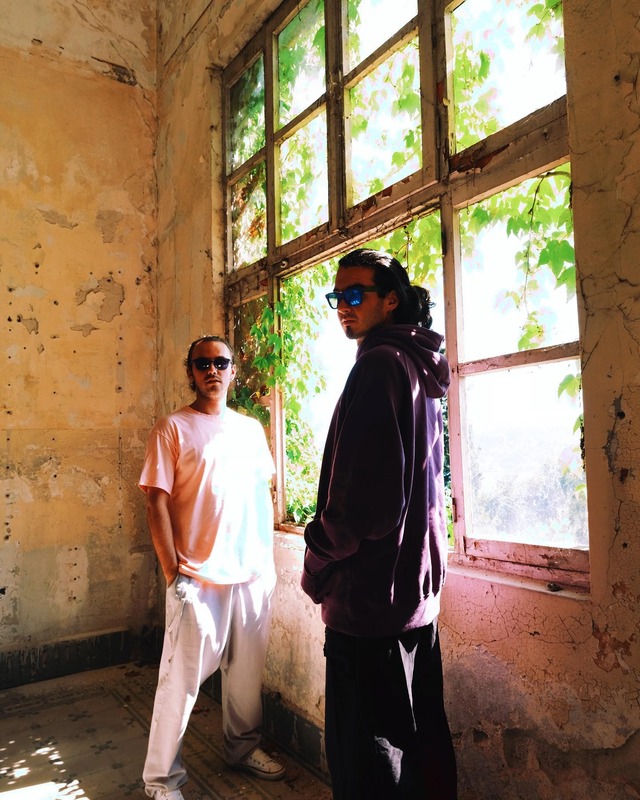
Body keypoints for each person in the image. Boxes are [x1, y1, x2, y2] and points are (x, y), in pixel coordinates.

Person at [301, 249, 457, 799]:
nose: (342, 307)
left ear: (390, 300)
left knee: (366, 765)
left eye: (355, 294)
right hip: (412, 597)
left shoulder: (378, 366)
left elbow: (359, 508)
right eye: (336, 297)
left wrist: (314, 562)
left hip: (370, 603)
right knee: (417, 747)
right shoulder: (414, 366)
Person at [140, 334, 285, 800]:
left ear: (232, 370)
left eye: (221, 363)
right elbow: (155, 502)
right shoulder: (172, 428)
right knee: (179, 685)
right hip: (197, 578)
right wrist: (173, 573)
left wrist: (265, 566)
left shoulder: (249, 430)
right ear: (190, 372)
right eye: (202, 364)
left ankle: (243, 749)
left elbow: (261, 496)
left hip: (251, 576)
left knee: (245, 681)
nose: (212, 371)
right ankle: (161, 780)